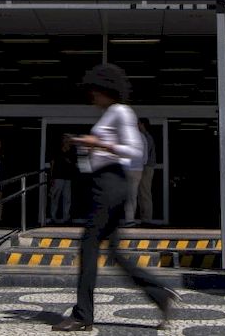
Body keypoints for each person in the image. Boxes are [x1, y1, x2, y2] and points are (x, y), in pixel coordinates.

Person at [52, 64, 176, 332]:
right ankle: (160, 295)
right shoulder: (110, 114)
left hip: (109, 185)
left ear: (107, 89)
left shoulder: (121, 111)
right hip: (105, 184)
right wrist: (85, 144)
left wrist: (101, 145)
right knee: (115, 253)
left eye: (95, 91)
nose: (92, 96)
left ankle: (82, 314)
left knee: (88, 246)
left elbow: (134, 151)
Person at [49, 135, 77, 224]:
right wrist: (51, 176)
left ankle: (66, 217)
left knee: (67, 198)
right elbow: (52, 163)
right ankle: (53, 217)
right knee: (55, 197)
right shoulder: (57, 150)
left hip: (68, 178)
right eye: (65, 139)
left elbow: (74, 164)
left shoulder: (72, 151)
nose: (66, 141)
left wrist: (70, 162)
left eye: (68, 139)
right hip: (58, 177)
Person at [137, 117, 156, 224]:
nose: (137, 126)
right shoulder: (145, 137)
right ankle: (144, 217)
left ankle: (147, 218)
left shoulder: (146, 137)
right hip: (145, 166)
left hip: (146, 167)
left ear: (143, 124)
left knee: (145, 192)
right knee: (142, 193)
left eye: (138, 123)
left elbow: (144, 154)